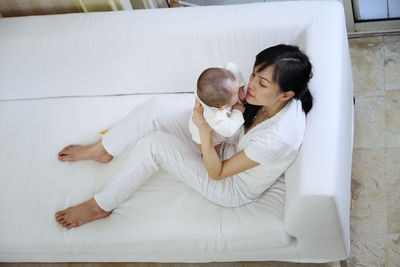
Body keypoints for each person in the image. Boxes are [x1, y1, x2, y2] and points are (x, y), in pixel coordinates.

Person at [55, 44, 313, 230]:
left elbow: (217, 173)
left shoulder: (277, 138)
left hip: (232, 185)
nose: (252, 85)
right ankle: (104, 149)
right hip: (227, 142)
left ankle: (101, 205)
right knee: (156, 107)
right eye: (255, 74)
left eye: (262, 83)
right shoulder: (267, 98)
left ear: (287, 95)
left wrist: (203, 129)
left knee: (155, 145)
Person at [188, 63, 246, 153]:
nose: (238, 91)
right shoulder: (215, 116)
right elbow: (228, 130)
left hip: (208, 110)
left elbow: (231, 65)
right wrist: (237, 111)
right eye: (236, 93)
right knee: (214, 151)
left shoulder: (209, 87)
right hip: (205, 136)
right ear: (222, 106)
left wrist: (241, 85)